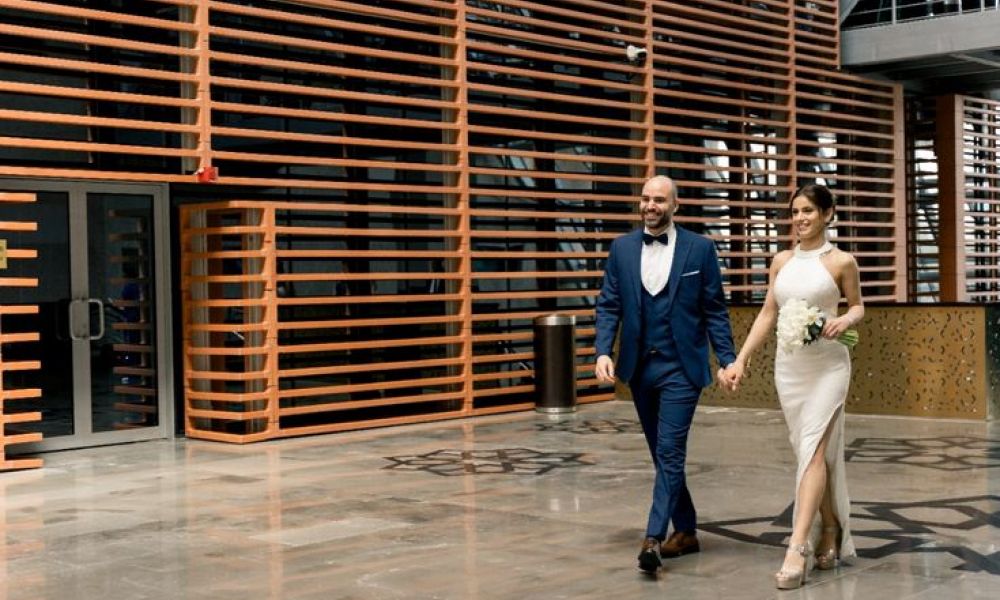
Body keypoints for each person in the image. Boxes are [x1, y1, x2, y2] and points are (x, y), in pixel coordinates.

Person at [594, 175, 738, 574]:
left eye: (659, 199)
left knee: (671, 451)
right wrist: (603, 350)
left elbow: (714, 310)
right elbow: (609, 304)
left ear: (675, 205)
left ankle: (653, 538)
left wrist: (727, 359)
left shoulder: (700, 249)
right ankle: (686, 530)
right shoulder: (622, 248)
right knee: (662, 454)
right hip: (640, 368)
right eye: (645, 199)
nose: (650, 206)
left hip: (681, 368)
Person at [723, 184, 863, 589]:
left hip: (829, 368)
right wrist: (741, 359)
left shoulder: (842, 261)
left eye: (808, 211)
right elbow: (769, 312)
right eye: (795, 211)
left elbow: (858, 305)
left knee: (815, 450)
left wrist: (845, 320)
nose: (800, 218)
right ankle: (830, 527)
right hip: (790, 371)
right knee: (810, 455)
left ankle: (797, 547)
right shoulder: (781, 260)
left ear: (827, 214)